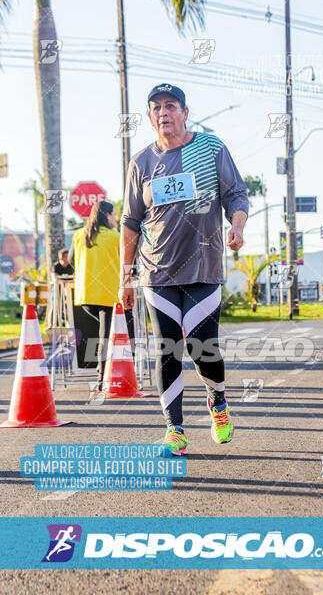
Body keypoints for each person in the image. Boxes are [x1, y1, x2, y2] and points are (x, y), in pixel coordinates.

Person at [120, 83, 248, 455]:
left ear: (185, 112)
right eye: (156, 107)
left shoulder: (210, 148)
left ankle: (218, 401)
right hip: (156, 271)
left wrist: (236, 226)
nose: (163, 112)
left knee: (203, 347)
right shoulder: (142, 162)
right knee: (167, 348)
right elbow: (130, 222)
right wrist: (125, 278)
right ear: (149, 117)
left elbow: (236, 194)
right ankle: (174, 429)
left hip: (203, 266)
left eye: (171, 105)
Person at [71, 200, 134, 391]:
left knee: (102, 335)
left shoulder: (80, 234)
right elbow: (127, 263)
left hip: (85, 296)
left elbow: (72, 260)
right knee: (106, 337)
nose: (115, 218)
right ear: (108, 216)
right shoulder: (115, 237)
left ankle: (105, 373)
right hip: (109, 295)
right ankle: (101, 379)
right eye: (114, 214)